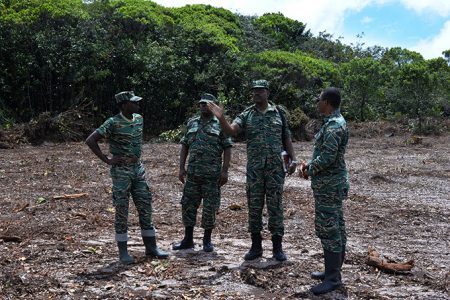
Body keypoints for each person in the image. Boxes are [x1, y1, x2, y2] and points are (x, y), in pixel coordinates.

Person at [207, 80, 297, 261]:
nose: (256, 94)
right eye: (254, 91)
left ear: (267, 92)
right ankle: (256, 247)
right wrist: (221, 118)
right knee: (255, 207)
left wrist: (292, 159)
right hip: (255, 170)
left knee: (275, 207)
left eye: (260, 91)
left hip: (275, 169)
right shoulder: (247, 114)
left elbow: (286, 137)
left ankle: (277, 248)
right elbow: (232, 131)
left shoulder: (279, 113)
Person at [85, 91, 168, 264]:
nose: (137, 105)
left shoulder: (139, 119)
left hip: (138, 169)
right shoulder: (112, 122)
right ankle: (123, 252)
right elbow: (91, 140)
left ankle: (151, 247)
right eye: (133, 103)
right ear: (124, 105)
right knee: (122, 210)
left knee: (145, 206)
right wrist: (107, 160)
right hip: (121, 171)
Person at [299, 87, 349, 295]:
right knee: (336, 226)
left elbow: (328, 158)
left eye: (319, 100)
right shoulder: (334, 123)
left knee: (330, 229)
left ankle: (333, 278)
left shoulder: (334, 126)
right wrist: (310, 164)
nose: (317, 103)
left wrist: (309, 169)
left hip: (330, 186)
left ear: (327, 102)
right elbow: (328, 154)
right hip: (330, 184)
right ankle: (331, 271)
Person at [173, 93, 232, 252]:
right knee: (188, 205)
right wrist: (181, 168)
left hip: (212, 176)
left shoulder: (220, 124)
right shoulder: (192, 123)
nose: (204, 106)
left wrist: (225, 171)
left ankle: (207, 240)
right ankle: (188, 239)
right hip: (192, 175)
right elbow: (185, 145)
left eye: (207, 104)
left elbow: (227, 147)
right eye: (201, 104)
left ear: (213, 106)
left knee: (210, 208)